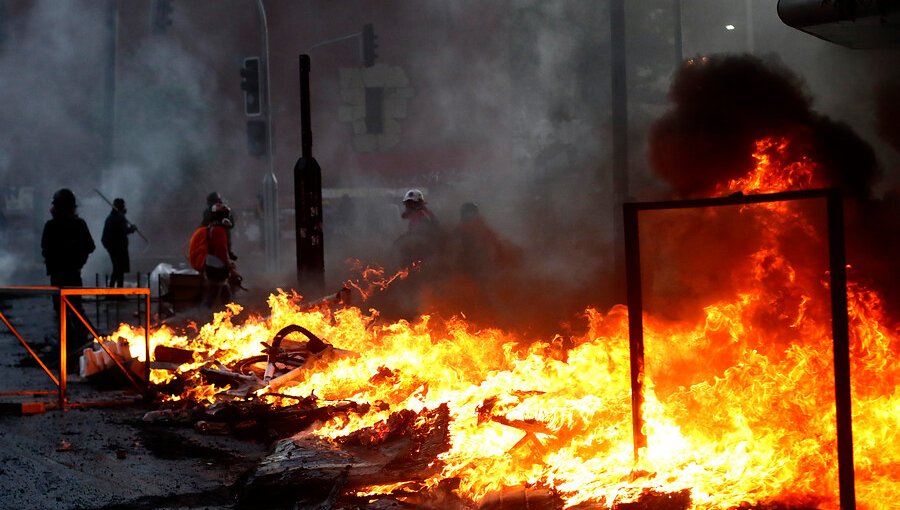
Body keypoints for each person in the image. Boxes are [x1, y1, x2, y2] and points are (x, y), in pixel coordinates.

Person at [41, 188, 95, 342]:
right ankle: (80, 339)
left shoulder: (51, 226)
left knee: (61, 309)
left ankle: (69, 340)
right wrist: (78, 259)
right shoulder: (78, 224)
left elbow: (45, 249)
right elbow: (90, 246)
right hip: (72, 273)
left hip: (58, 275)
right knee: (76, 307)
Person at [201, 202, 241, 309]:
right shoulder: (218, 230)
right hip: (217, 267)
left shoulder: (212, 228)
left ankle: (224, 314)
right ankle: (205, 314)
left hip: (212, 265)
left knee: (218, 292)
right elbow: (221, 251)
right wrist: (230, 267)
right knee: (219, 292)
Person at [395, 188, 442, 266]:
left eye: (410, 203)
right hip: (420, 250)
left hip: (425, 253)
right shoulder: (417, 215)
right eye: (407, 203)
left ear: (417, 203)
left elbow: (426, 234)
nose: (407, 206)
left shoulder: (423, 215)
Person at [100, 198, 137, 288]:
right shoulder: (117, 218)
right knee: (118, 269)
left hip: (115, 246)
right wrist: (132, 229)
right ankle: (113, 291)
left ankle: (116, 291)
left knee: (118, 269)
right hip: (116, 247)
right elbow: (122, 231)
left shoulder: (115, 217)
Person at [202, 191, 237, 262]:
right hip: (210, 235)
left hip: (221, 234)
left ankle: (229, 253)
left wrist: (222, 223)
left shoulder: (225, 209)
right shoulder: (208, 211)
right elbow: (204, 223)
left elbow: (231, 222)